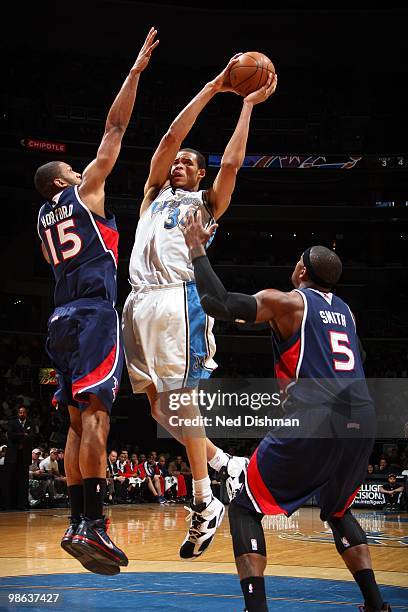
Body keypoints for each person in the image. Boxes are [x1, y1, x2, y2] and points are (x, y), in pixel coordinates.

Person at [182, 213, 390, 612]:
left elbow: (219, 303)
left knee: (243, 503)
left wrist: (196, 250)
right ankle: (376, 605)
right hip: (362, 418)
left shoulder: (289, 302)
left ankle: (255, 608)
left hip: (316, 415)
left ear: (300, 269)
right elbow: (357, 356)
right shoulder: (347, 313)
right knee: (339, 510)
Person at [122, 54, 277, 558]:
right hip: (139, 304)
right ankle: (226, 465)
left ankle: (204, 499)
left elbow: (231, 164)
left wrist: (248, 105)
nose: (180, 163)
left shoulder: (206, 203)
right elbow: (168, 137)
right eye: (178, 161)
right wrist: (213, 86)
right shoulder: (151, 194)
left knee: (183, 402)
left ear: (200, 175)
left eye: (190, 161)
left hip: (178, 299)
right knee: (159, 409)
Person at [35, 28, 159, 575]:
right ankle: (95, 525)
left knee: (71, 423)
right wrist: (134, 71)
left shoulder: (42, 219)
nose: (82, 167)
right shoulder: (84, 191)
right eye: (73, 167)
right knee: (98, 418)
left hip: (59, 319)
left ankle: (75, 519)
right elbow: (115, 125)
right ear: (64, 177)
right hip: (90, 316)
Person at [4, 406, 34, 509]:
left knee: (23, 482)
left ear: (26, 414)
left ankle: (23, 504)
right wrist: (23, 435)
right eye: (20, 412)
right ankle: (8, 504)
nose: (22, 414)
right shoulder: (12, 423)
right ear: (18, 413)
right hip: (12, 456)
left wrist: (21, 436)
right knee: (10, 480)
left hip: (24, 456)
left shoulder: (30, 424)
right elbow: (10, 435)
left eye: (24, 412)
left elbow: (32, 436)